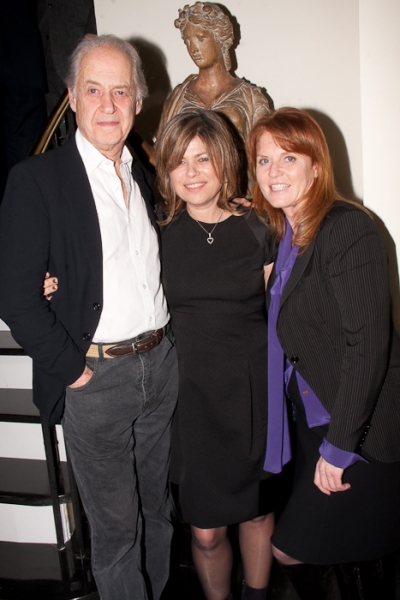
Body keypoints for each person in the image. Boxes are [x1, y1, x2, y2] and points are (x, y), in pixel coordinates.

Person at [0, 35, 179, 600]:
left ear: (137, 100)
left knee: (159, 511)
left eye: (120, 91)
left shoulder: (145, 172)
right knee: (117, 532)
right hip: (95, 380)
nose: (108, 104)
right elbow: (15, 295)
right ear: (72, 98)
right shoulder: (36, 181)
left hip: (159, 368)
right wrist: (72, 370)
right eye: (94, 90)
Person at [247, 107, 400, 599]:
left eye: (288, 158)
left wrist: (339, 446)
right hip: (315, 420)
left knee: (291, 548)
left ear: (317, 165)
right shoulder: (289, 234)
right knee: (345, 548)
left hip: (359, 428)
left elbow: (367, 345)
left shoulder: (346, 228)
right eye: (264, 160)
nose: (274, 172)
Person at [155, 109, 277, 600]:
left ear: (224, 162)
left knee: (257, 510)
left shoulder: (258, 228)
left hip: (252, 392)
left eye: (203, 158)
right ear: (166, 170)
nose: (191, 171)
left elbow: (283, 311)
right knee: (205, 531)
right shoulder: (158, 236)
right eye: (179, 161)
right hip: (191, 402)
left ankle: (257, 594)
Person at [156, 2, 270, 195]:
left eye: (201, 38)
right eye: (187, 41)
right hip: (191, 206)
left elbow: (267, 158)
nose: (193, 48)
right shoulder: (178, 97)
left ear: (220, 39)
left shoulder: (251, 98)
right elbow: (162, 154)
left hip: (240, 204)